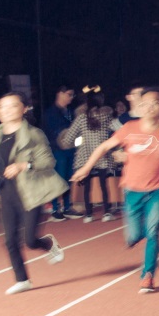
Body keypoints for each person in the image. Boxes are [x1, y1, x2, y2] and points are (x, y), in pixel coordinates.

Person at [71, 87, 159, 294]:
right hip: (132, 189)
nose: (149, 107)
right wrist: (86, 168)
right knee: (135, 235)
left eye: (155, 103)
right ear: (139, 107)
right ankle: (135, 237)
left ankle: (148, 275)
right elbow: (104, 147)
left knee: (153, 232)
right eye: (145, 103)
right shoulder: (129, 128)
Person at [0, 92, 68, 294]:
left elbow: (48, 162)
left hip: (30, 192)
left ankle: (47, 244)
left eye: (12, 106)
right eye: (1, 106)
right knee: (10, 240)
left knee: (30, 240)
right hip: (7, 193)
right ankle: (22, 280)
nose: (5, 110)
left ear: (24, 108)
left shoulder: (34, 134)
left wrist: (24, 165)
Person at [58, 91, 116, 222]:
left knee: (87, 187)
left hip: (85, 155)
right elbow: (115, 128)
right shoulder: (106, 116)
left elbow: (68, 138)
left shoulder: (81, 117)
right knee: (103, 185)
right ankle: (107, 212)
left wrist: (70, 142)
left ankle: (89, 214)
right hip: (102, 154)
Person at [42, 86, 79, 221]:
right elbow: (51, 133)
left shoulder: (70, 112)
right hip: (57, 151)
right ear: (60, 94)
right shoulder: (50, 113)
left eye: (72, 95)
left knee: (68, 178)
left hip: (70, 150)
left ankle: (67, 207)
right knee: (58, 179)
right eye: (69, 94)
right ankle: (55, 208)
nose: (71, 98)